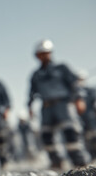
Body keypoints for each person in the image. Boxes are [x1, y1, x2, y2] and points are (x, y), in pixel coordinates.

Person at [28, 39, 90, 168]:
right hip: (46, 107)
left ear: (50, 53)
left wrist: (79, 99)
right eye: (41, 53)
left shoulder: (62, 68)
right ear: (37, 56)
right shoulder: (36, 75)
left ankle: (80, 163)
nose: (43, 56)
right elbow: (31, 93)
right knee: (46, 135)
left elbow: (74, 84)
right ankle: (56, 162)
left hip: (63, 105)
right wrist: (30, 107)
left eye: (46, 52)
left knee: (71, 132)